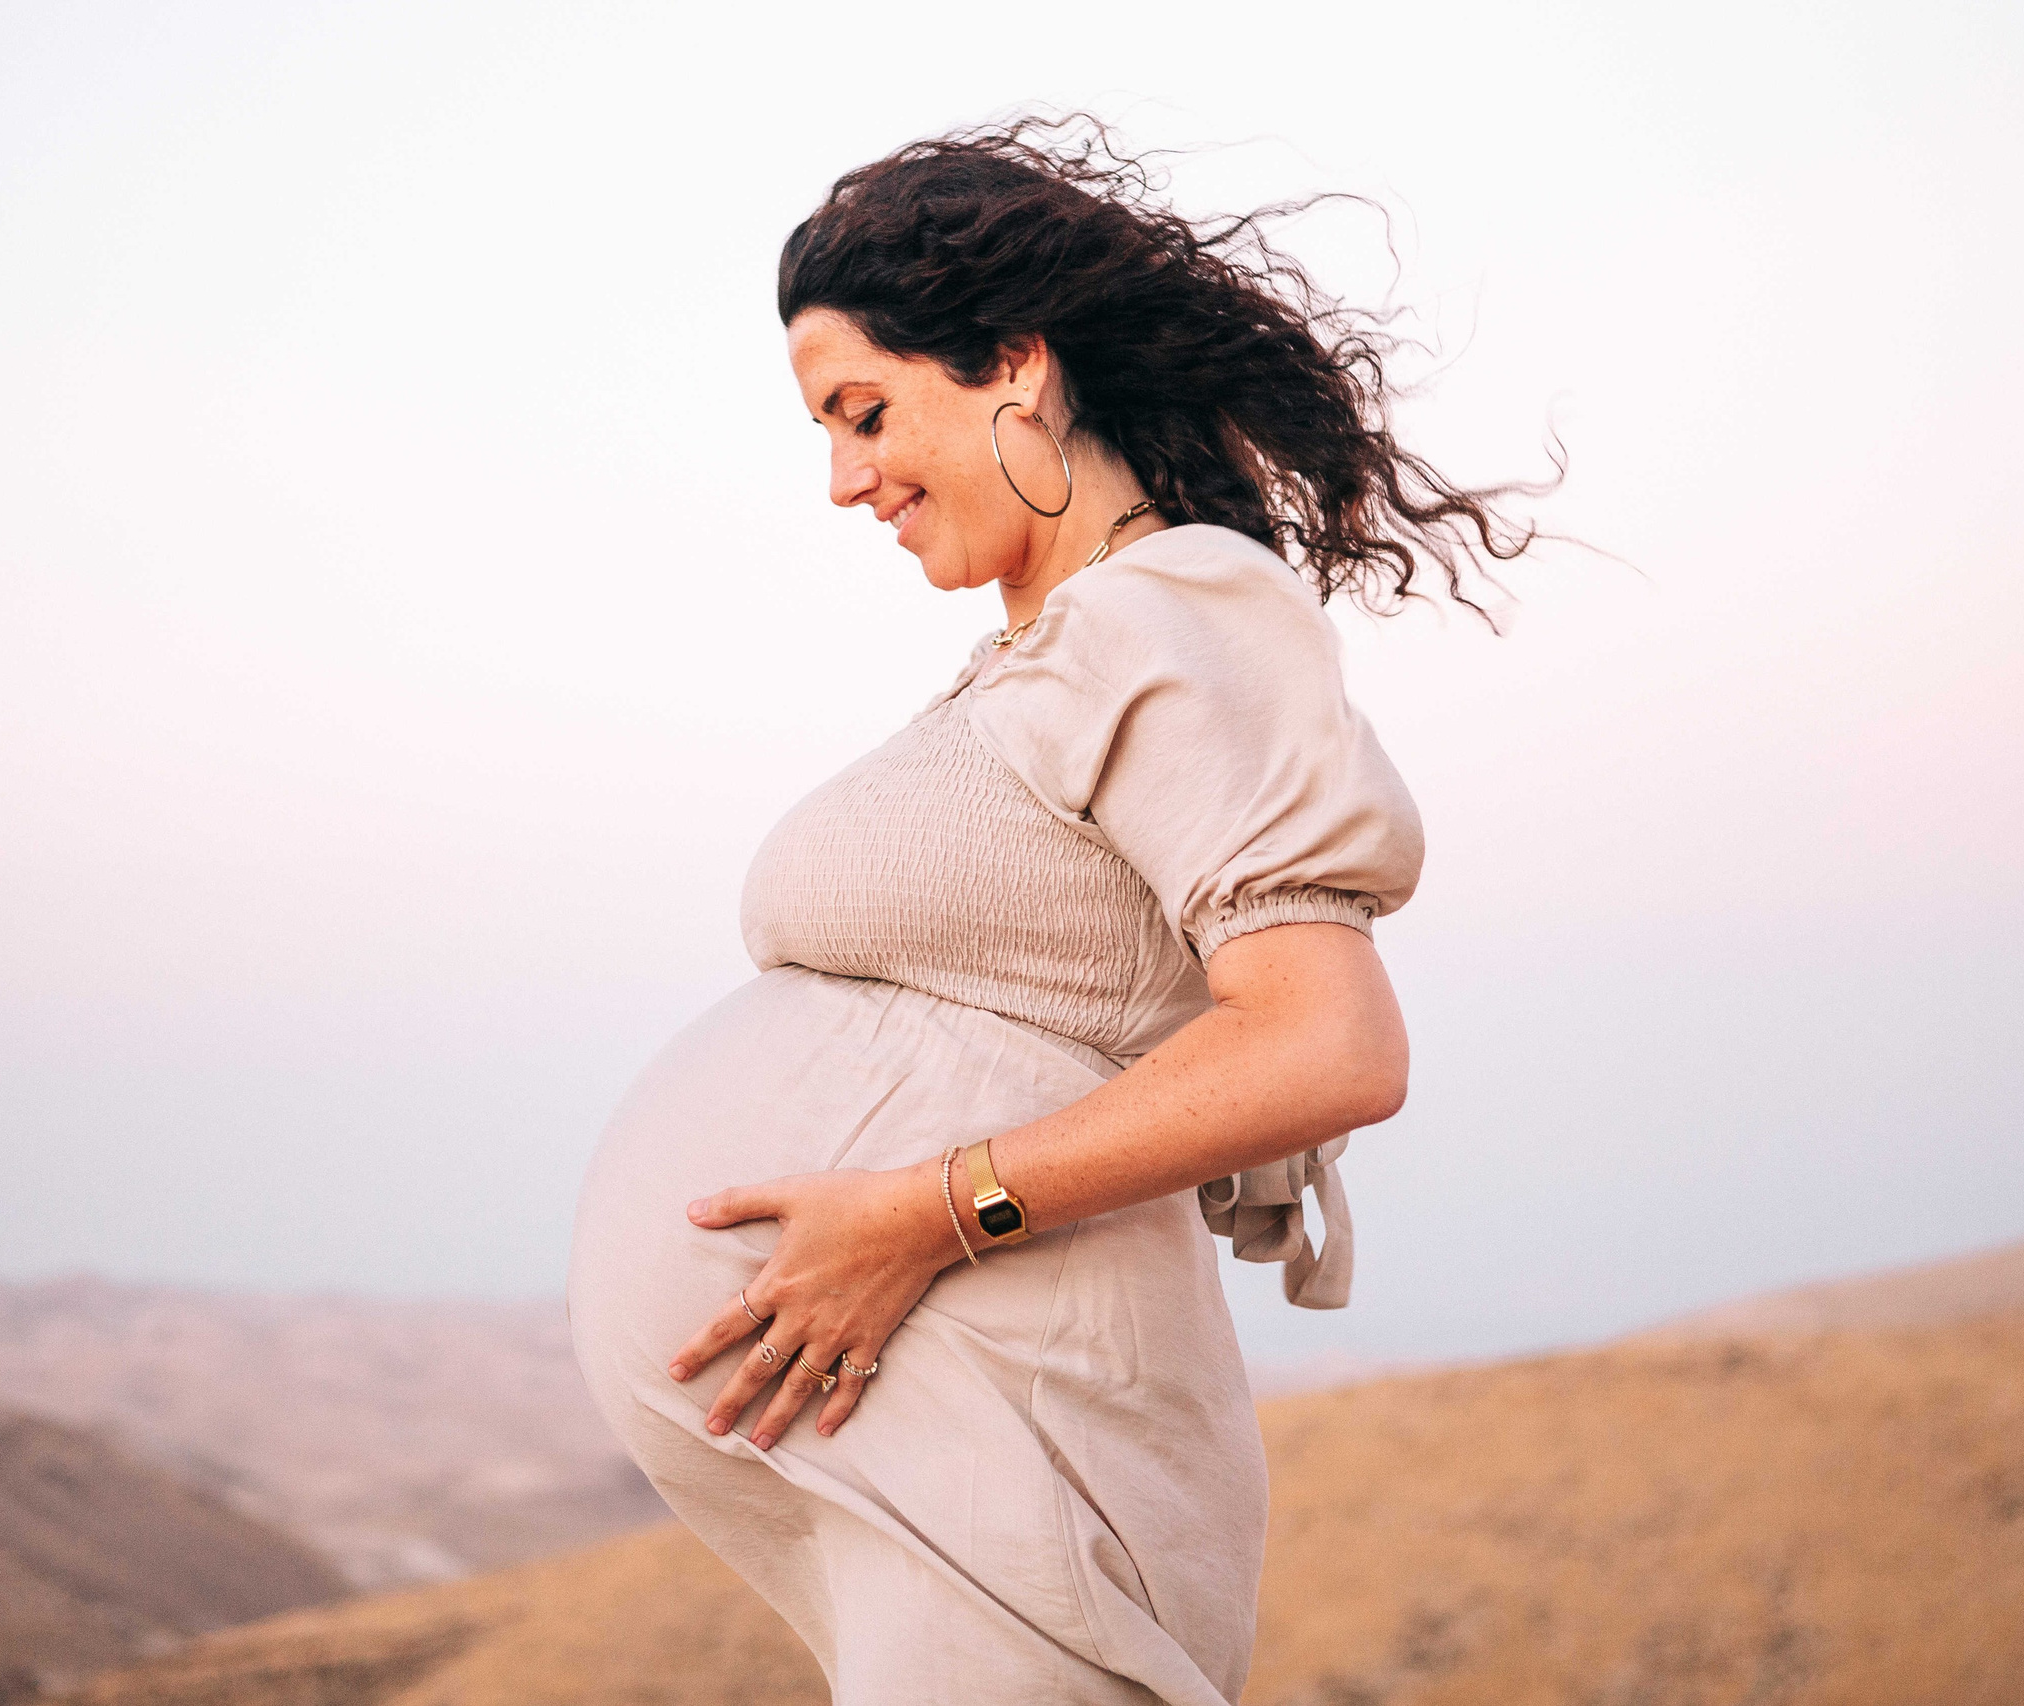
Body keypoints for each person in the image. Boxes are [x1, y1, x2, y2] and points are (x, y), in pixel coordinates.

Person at [568, 118, 1529, 1705]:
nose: (842, 479)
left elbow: (1328, 1043)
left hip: (1031, 1443)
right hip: (960, 1455)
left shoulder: (1180, 610)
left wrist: (925, 1210)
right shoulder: (1067, 643)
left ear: (1015, 364)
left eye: (864, 412)